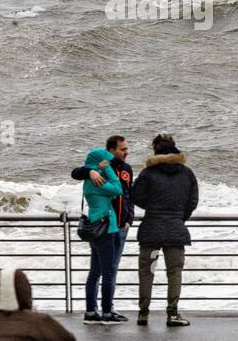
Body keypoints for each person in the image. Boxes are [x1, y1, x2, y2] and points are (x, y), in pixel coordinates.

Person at [130, 133, 199, 327]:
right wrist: (179, 216)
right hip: (175, 232)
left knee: (147, 272)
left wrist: (152, 207)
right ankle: (173, 314)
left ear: (155, 149)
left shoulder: (148, 173)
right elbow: (192, 200)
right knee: (174, 272)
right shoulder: (187, 173)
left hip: (151, 231)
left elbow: (136, 196)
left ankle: (143, 314)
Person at [71, 135, 133, 297]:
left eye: (127, 148)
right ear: (111, 150)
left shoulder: (127, 169)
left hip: (121, 226)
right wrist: (90, 171)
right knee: (100, 271)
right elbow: (75, 172)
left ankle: (107, 308)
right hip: (103, 226)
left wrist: (129, 219)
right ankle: (101, 310)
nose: (127, 152)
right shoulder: (100, 166)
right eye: (123, 149)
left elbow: (128, 195)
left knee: (112, 270)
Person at [80, 146, 127, 325]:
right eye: (105, 161)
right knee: (107, 272)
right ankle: (107, 313)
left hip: (97, 229)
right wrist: (106, 169)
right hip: (106, 230)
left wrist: (97, 170)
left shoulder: (90, 180)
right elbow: (118, 189)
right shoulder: (97, 181)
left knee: (95, 272)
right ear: (98, 162)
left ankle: (91, 312)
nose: (109, 164)